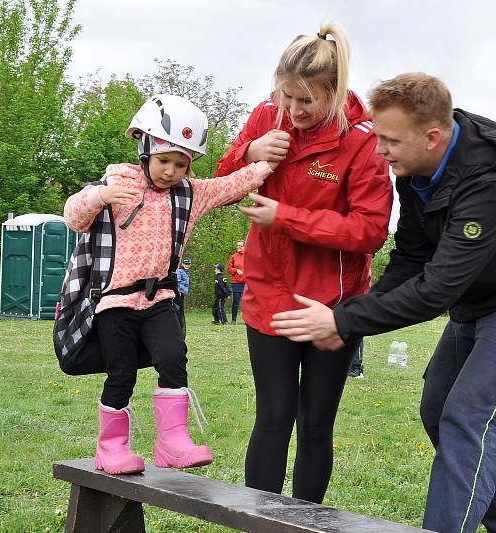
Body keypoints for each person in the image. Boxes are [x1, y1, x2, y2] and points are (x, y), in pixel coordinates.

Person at [271, 72, 496, 532]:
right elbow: (413, 256)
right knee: (437, 412)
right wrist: (353, 315)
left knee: (467, 421)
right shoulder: (416, 171)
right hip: (477, 299)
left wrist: (342, 321)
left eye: (390, 140)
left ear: (433, 136)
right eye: (378, 137)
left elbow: (437, 289)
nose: (380, 150)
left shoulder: (494, 185)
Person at [214, 23, 392, 503]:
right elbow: (221, 183)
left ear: (334, 93)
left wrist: (286, 218)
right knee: (272, 417)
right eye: (285, 97)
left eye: (305, 102)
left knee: (316, 424)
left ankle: (305, 520)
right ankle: (260, 521)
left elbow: (370, 231)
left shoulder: (363, 139)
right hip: (268, 293)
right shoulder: (267, 117)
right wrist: (249, 153)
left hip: (330, 305)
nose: (292, 111)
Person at [63, 94, 277, 475]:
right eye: (164, 161)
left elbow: (234, 184)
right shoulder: (117, 184)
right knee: (122, 371)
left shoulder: (189, 195)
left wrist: (266, 161)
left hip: (160, 296)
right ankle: (111, 447)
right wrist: (99, 196)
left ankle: (173, 442)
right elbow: (74, 216)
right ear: (145, 150)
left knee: (173, 358)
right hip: (115, 301)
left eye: (181, 164)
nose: (171, 171)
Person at [227, 240, 246, 324]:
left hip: (247, 283)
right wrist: (236, 270)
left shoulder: (250, 256)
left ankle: (247, 321)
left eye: (240, 246)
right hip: (236, 283)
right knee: (236, 302)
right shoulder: (233, 257)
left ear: (245, 246)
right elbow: (229, 269)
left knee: (247, 303)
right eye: (237, 245)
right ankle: (234, 320)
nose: (238, 247)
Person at [174, 257, 192, 339]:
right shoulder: (180, 271)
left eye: (188, 264)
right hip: (179, 294)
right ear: (182, 264)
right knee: (179, 310)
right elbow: (178, 282)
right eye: (185, 263)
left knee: (181, 310)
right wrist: (180, 292)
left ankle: (179, 325)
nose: (187, 265)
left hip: (183, 293)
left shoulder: (187, 272)